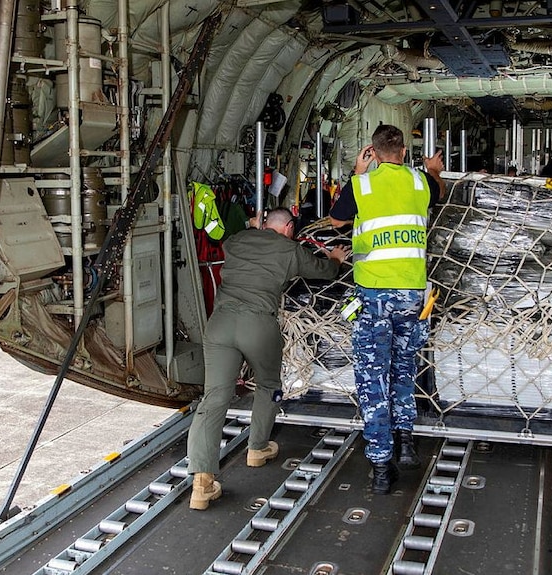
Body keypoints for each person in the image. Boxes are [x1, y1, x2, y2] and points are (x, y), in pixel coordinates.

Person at [187, 207, 350, 510]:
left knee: (214, 398)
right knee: (269, 384)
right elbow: (324, 271)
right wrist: (336, 259)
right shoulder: (289, 249)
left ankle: (202, 483)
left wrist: (252, 226)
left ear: (263, 224)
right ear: (289, 227)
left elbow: (232, 237)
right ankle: (257, 448)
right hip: (258, 325)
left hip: (220, 325)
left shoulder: (236, 241)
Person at [329, 124, 445, 494]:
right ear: (405, 153)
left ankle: (381, 466)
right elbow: (436, 193)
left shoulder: (362, 185)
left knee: (372, 378)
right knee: (404, 365)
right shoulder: (418, 182)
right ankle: (406, 440)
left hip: (375, 297)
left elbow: (336, 219)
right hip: (412, 294)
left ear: (373, 153)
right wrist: (433, 170)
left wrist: (358, 173)